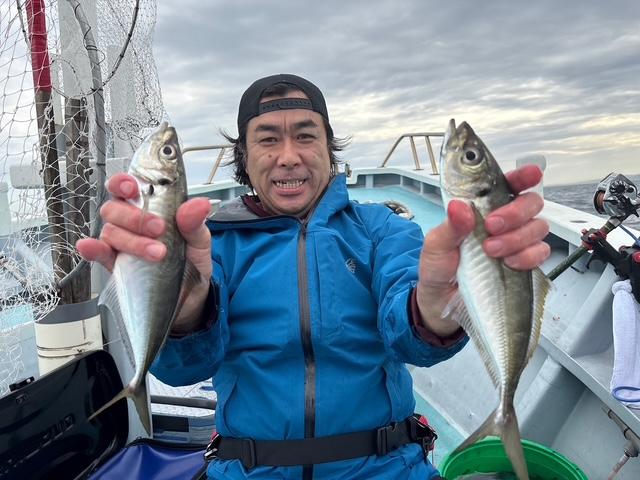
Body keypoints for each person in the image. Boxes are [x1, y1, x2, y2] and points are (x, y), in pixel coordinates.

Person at [77, 74, 550, 480]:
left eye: (305, 136)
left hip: (388, 467)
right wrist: (180, 312)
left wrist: (437, 306)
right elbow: (184, 369)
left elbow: (413, 344)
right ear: (245, 156)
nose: (288, 156)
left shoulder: (383, 229)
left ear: (329, 148)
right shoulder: (210, 242)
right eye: (268, 139)